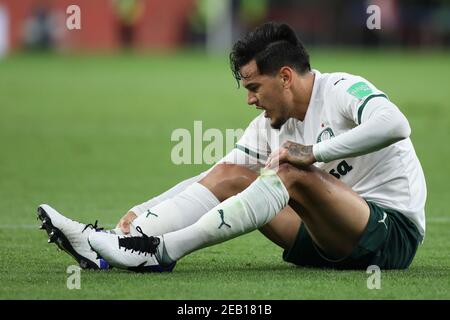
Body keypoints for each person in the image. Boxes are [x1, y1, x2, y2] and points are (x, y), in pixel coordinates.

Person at [38, 22, 426, 272]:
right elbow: (214, 178)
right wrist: (142, 210)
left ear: (286, 77)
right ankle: (112, 246)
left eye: (255, 88)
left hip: (389, 235)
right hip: (323, 239)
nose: (250, 100)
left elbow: (395, 124)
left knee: (290, 171)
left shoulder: (342, 89)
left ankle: (162, 252)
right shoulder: (268, 125)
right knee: (233, 175)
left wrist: (313, 153)